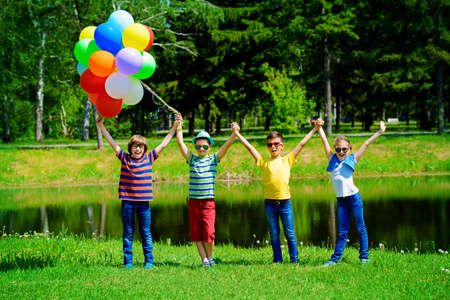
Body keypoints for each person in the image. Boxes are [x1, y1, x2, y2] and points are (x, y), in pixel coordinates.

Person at [233, 121, 321, 263]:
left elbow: (301, 144)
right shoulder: (264, 162)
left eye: (276, 144)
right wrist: (237, 133)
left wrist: (315, 129)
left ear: (281, 146)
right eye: (269, 144)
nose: (273, 147)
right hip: (270, 204)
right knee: (274, 234)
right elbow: (250, 148)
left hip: (285, 203)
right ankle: (277, 260)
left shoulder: (288, 160)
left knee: (290, 234)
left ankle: (294, 260)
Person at [96, 116, 178, 269]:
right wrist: (101, 127)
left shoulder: (149, 158)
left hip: (143, 204)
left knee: (145, 232)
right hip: (127, 202)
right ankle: (128, 262)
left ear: (144, 149)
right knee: (128, 232)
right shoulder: (125, 159)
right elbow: (112, 143)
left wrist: (173, 128)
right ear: (130, 148)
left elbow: (164, 144)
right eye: (135, 146)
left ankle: (149, 261)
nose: (138, 149)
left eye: (140, 146)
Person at [317, 119, 386, 266]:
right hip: (341, 201)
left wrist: (380, 131)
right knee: (342, 232)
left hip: (354, 199)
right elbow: (323, 139)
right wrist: (319, 127)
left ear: (349, 149)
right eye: (338, 149)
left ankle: (364, 258)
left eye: (344, 149)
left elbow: (366, 144)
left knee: (361, 228)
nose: (341, 152)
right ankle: (335, 260)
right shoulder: (331, 159)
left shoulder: (352, 159)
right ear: (335, 149)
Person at [175, 113, 238, 267]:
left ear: (209, 147)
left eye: (204, 146)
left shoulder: (213, 159)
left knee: (209, 233)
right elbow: (180, 142)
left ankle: (210, 257)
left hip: (208, 203)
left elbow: (226, 146)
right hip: (194, 203)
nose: (201, 148)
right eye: (198, 146)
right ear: (195, 146)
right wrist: (179, 126)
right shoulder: (191, 159)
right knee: (196, 232)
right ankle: (204, 260)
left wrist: (234, 133)